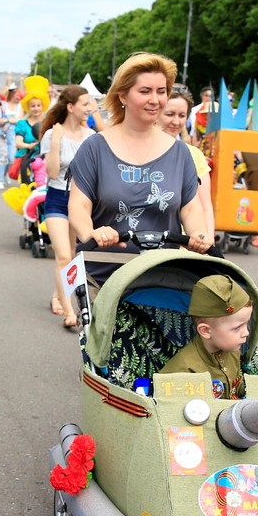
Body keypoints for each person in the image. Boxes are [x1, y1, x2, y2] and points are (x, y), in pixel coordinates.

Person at [68, 52, 212, 284]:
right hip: (104, 274)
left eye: (161, 91)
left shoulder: (180, 153)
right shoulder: (95, 147)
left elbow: (191, 208)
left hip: (162, 276)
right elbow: (78, 205)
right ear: (123, 95)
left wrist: (198, 234)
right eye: (145, 91)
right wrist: (91, 233)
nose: (155, 99)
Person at [40, 85, 97, 328]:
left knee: (72, 256)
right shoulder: (52, 135)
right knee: (63, 255)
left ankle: (57, 294)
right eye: (85, 104)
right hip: (56, 197)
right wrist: (56, 141)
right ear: (71, 107)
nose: (90, 108)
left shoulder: (92, 136)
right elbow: (52, 172)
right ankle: (69, 311)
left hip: (81, 202)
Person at [161, 275, 254, 399]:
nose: (246, 333)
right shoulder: (184, 371)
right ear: (205, 331)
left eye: (246, 324)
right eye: (237, 328)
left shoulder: (232, 352)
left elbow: (236, 387)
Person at [158, 88, 215, 243]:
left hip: (186, 245)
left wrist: (208, 240)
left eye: (182, 115)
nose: (176, 122)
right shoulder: (138, 151)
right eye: (169, 114)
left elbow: (205, 207)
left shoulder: (194, 155)